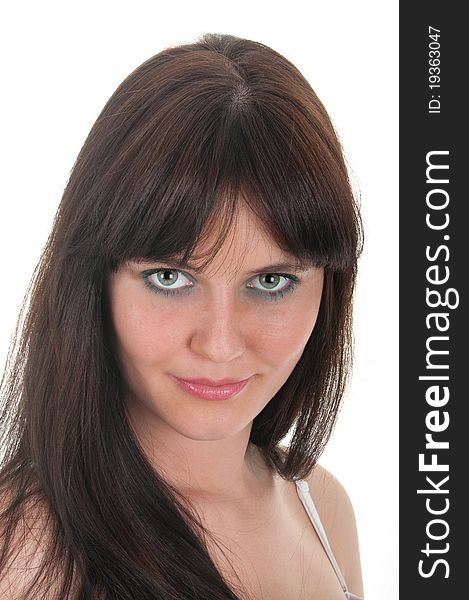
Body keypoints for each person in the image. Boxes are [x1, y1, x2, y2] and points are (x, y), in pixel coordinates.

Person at [0, 33, 364, 599]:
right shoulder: (25, 551)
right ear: (93, 282)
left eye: (271, 282)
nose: (220, 344)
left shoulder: (321, 507)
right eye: (170, 277)